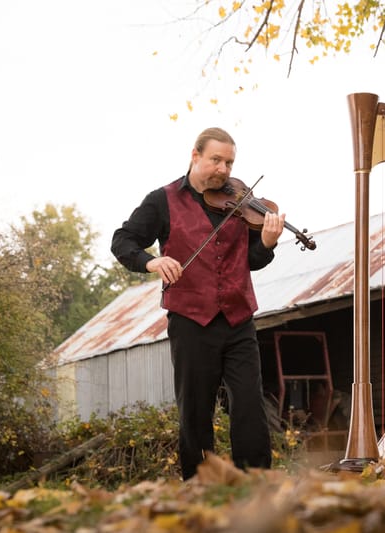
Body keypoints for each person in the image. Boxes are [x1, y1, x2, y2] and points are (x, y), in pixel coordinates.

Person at [111, 127, 285, 480]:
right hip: (191, 320)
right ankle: (200, 487)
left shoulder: (240, 200)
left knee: (249, 406)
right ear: (195, 156)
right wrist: (151, 261)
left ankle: (256, 484)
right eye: (216, 160)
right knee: (196, 409)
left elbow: (252, 259)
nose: (224, 169)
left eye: (230, 162)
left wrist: (266, 243)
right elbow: (123, 240)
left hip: (238, 318)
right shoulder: (162, 200)